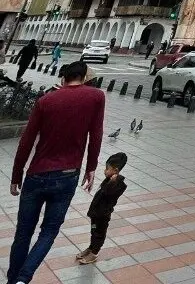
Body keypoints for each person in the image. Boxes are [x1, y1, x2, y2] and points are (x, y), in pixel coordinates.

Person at [7, 60, 105, 284]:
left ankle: (13, 281)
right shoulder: (96, 97)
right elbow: (96, 134)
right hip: (68, 174)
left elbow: (27, 140)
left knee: (23, 233)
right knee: (48, 232)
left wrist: (16, 175)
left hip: (36, 175)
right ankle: (23, 279)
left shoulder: (46, 100)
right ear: (83, 77)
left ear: (63, 78)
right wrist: (91, 167)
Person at [76, 152, 127, 266]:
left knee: (99, 233)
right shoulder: (108, 179)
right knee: (94, 231)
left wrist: (113, 182)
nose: (105, 171)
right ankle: (91, 247)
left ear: (116, 170)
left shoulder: (119, 184)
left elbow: (109, 193)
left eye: (107, 169)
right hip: (96, 215)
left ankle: (94, 253)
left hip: (102, 216)